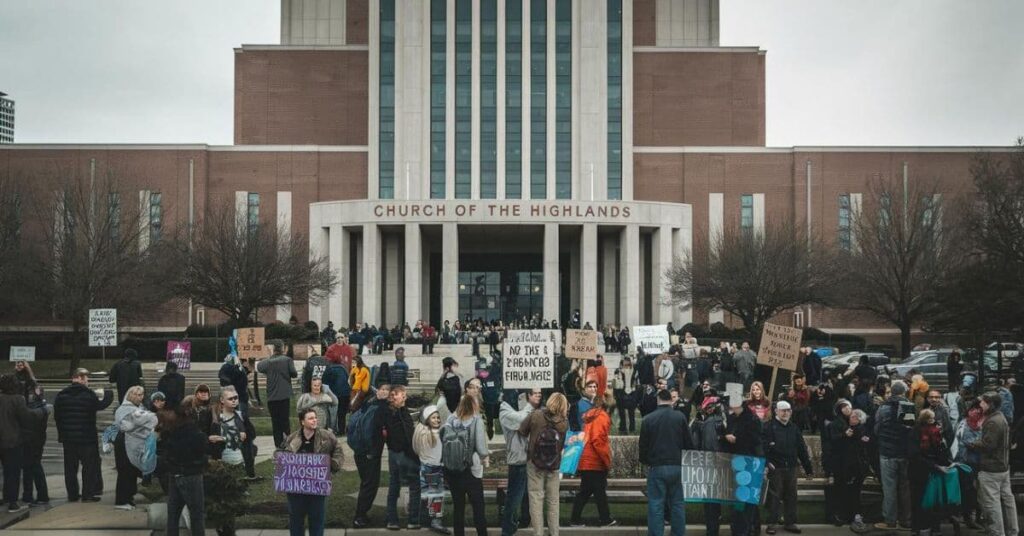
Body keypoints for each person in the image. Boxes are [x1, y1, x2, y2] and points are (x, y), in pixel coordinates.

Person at [281, 408, 344, 536]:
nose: (314, 420)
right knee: (296, 520)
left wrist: (334, 464)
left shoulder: (327, 436)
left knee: (317, 520)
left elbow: (338, 451)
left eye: (315, 417)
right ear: (302, 422)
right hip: (296, 488)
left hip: (318, 486)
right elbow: (281, 454)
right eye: (310, 418)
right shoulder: (292, 438)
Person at [639, 388, 694, 536]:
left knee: (656, 504)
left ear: (658, 400)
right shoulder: (680, 417)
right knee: (677, 504)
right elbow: (689, 444)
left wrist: (646, 462)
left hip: (656, 466)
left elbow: (642, 447)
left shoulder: (648, 419)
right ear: (671, 400)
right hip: (677, 465)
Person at [53, 368, 113, 502]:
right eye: (86, 379)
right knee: (89, 467)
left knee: (70, 469)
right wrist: (109, 393)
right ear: (79, 378)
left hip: (68, 439)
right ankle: (88, 495)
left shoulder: (61, 395)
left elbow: (57, 417)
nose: (87, 382)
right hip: (87, 438)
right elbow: (100, 405)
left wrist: (62, 434)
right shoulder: (88, 394)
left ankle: (72, 495)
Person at [966, 391, 1019, 536]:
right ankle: (1012, 531)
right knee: (1008, 501)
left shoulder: (993, 421)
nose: (980, 404)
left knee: (991, 504)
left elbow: (988, 445)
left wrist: (972, 443)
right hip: (1002, 467)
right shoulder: (1001, 417)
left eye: (983, 402)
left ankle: (997, 533)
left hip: (991, 469)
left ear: (990, 404)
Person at [441, 394, 490, 536]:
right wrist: (485, 457)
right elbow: (481, 448)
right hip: (471, 469)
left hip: (452, 470)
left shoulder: (451, 419)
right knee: (478, 507)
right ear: (474, 405)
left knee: (458, 507)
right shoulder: (476, 421)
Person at [762, 401, 813, 535]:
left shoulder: (794, 428)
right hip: (775, 467)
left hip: (791, 466)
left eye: (788, 410)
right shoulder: (768, 427)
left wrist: (808, 469)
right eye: (783, 410)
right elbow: (763, 448)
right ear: (776, 411)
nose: (786, 413)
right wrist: (767, 463)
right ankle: (771, 523)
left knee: (791, 495)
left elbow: (802, 449)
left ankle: (790, 523)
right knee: (774, 496)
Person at [378, 385, 422, 529]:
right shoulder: (389, 412)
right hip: (398, 453)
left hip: (407, 453)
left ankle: (412, 520)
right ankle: (394, 520)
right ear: (392, 397)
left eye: (404, 394)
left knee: (409, 486)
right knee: (397, 486)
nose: (404, 396)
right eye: (400, 394)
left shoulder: (403, 411)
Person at [872, 380, 914, 531]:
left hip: (887, 453)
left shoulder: (883, 407)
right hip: (903, 453)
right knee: (905, 488)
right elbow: (909, 430)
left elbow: (876, 429)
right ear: (903, 392)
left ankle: (890, 520)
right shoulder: (909, 406)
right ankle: (906, 520)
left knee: (889, 488)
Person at [499, 389, 541, 536]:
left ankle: (522, 520)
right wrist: (530, 406)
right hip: (517, 460)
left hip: (526, 458)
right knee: (514, 497)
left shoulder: (521, 410)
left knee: (524, 495)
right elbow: (522, 420)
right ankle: (508, 529)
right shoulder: (505, 412)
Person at [0, 374, 44, 514]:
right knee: (12, 472)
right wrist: (41, 411)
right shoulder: (18, 400)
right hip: (13, 441)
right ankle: (12, 502)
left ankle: (5, 497)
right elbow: (26, 418)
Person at [570, 395, 616, 528]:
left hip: (587, 459)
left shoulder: (591, 415)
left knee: (588, 491)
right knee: (596, 491)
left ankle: (580, 519)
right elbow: (598, 440)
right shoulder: (602, 417)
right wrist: (606, 460)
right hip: (594, 461)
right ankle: (604, 519)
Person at [162, 403, 208, 536]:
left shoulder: (171, 432)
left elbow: (167, 454)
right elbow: (202, 451)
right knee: (197, 514)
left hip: (175, 474)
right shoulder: (195, 432)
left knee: (173, 514)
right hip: (192, 475)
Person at [722, 394, 764, 536]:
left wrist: (736, 439)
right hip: (737, 463)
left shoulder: (752, 419)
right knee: (739, 501)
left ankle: (747, 529)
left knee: (747, 501)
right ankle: (739, 529)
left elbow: (756, 441)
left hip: (749, 463)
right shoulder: (733, 419)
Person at [351, 384, 391, 528]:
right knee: (370, 484)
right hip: (370, 452)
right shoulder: (381, 408)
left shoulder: (369, 403)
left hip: (359, 450)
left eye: (387, 390)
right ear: (379, 391)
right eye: (383, 389)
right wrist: (371, 451)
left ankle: (362, 514)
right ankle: (359, 516)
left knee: (366, 483)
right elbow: (370, 432)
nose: (384, 392)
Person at [907, 409, 951, 536]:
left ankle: (928, 528)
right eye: (930, 419)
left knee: (928, 502)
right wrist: (936, 466)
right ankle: (923, 528)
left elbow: (941, 452)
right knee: (923, 502)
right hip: (921, 472)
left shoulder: (935, 433)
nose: (933, 421)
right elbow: (914, 455)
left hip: (929, 471)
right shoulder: (918, 432)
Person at [113, 385, 152, 510]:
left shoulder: (138, 407)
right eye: (138, 395)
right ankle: (122, 500)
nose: (141, 397)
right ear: (132, 396)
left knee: (131, 472)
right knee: (125, 471)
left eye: (142, 395)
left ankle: (128, 497)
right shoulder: (125, 409)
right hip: (124, 442)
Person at [691, 396, 725, 536]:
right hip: (720, 465)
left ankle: (712, 531)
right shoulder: (718, 421)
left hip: (711, 465)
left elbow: (709, 447)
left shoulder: (710, 423)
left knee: (711, 504)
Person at [413, 405, 449, 534]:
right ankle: (436, 521)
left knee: (426, 494)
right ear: (427, 419)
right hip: (434, 468)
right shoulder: (434, 433)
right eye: (433, 418)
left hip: (424, 466)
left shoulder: (420, 431)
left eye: (438, 417)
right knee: (436, 495)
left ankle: (425, 518)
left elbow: (415, 449)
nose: (437, 420)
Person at [257, 340, 298, 448]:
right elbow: (294, 374)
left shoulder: (268, 362)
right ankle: (288, 443)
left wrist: (270, 356)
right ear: (283, 349)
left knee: (275, 423)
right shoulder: (287, 360)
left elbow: (259, 367)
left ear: (273, 349)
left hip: (271, 397)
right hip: (284, 395)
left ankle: (278, 445)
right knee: (285, 421)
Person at [211, 386, 256, 480]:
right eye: (230, 398)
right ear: (222, 400)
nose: (234, 400)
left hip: (240, 461)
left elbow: (252, 434)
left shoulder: (241, 416)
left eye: (236, 398)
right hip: (222, 463)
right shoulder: (215, 418)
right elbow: (211, 438)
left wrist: (245, 432)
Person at [21, 383, 49, 507]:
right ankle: (36, 495)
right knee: (32, 466)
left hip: (32, 440)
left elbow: (29, 416)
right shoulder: (42, 407)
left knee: (32, 467)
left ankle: (33, 495)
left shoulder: (38, 409)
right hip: (37, 439)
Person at [321, 353, 351, 434]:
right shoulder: (343, 368)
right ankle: (342, 430)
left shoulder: (329, 369)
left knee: (333, 413)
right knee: (342, 414)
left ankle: (333, 429)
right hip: (346, 393)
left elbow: (324, 382)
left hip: (336, 394)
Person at [612, 356, 639, 433]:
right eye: (625, 361)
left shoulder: (634, 371)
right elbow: (615, 384)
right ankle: (623, 428)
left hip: (631, 394)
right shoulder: (618, 371)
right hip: (621, 394)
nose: (626, 363)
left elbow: (636, 382)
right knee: (622, 413)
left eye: (628, 361)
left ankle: (631, 428)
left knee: (631, 413)